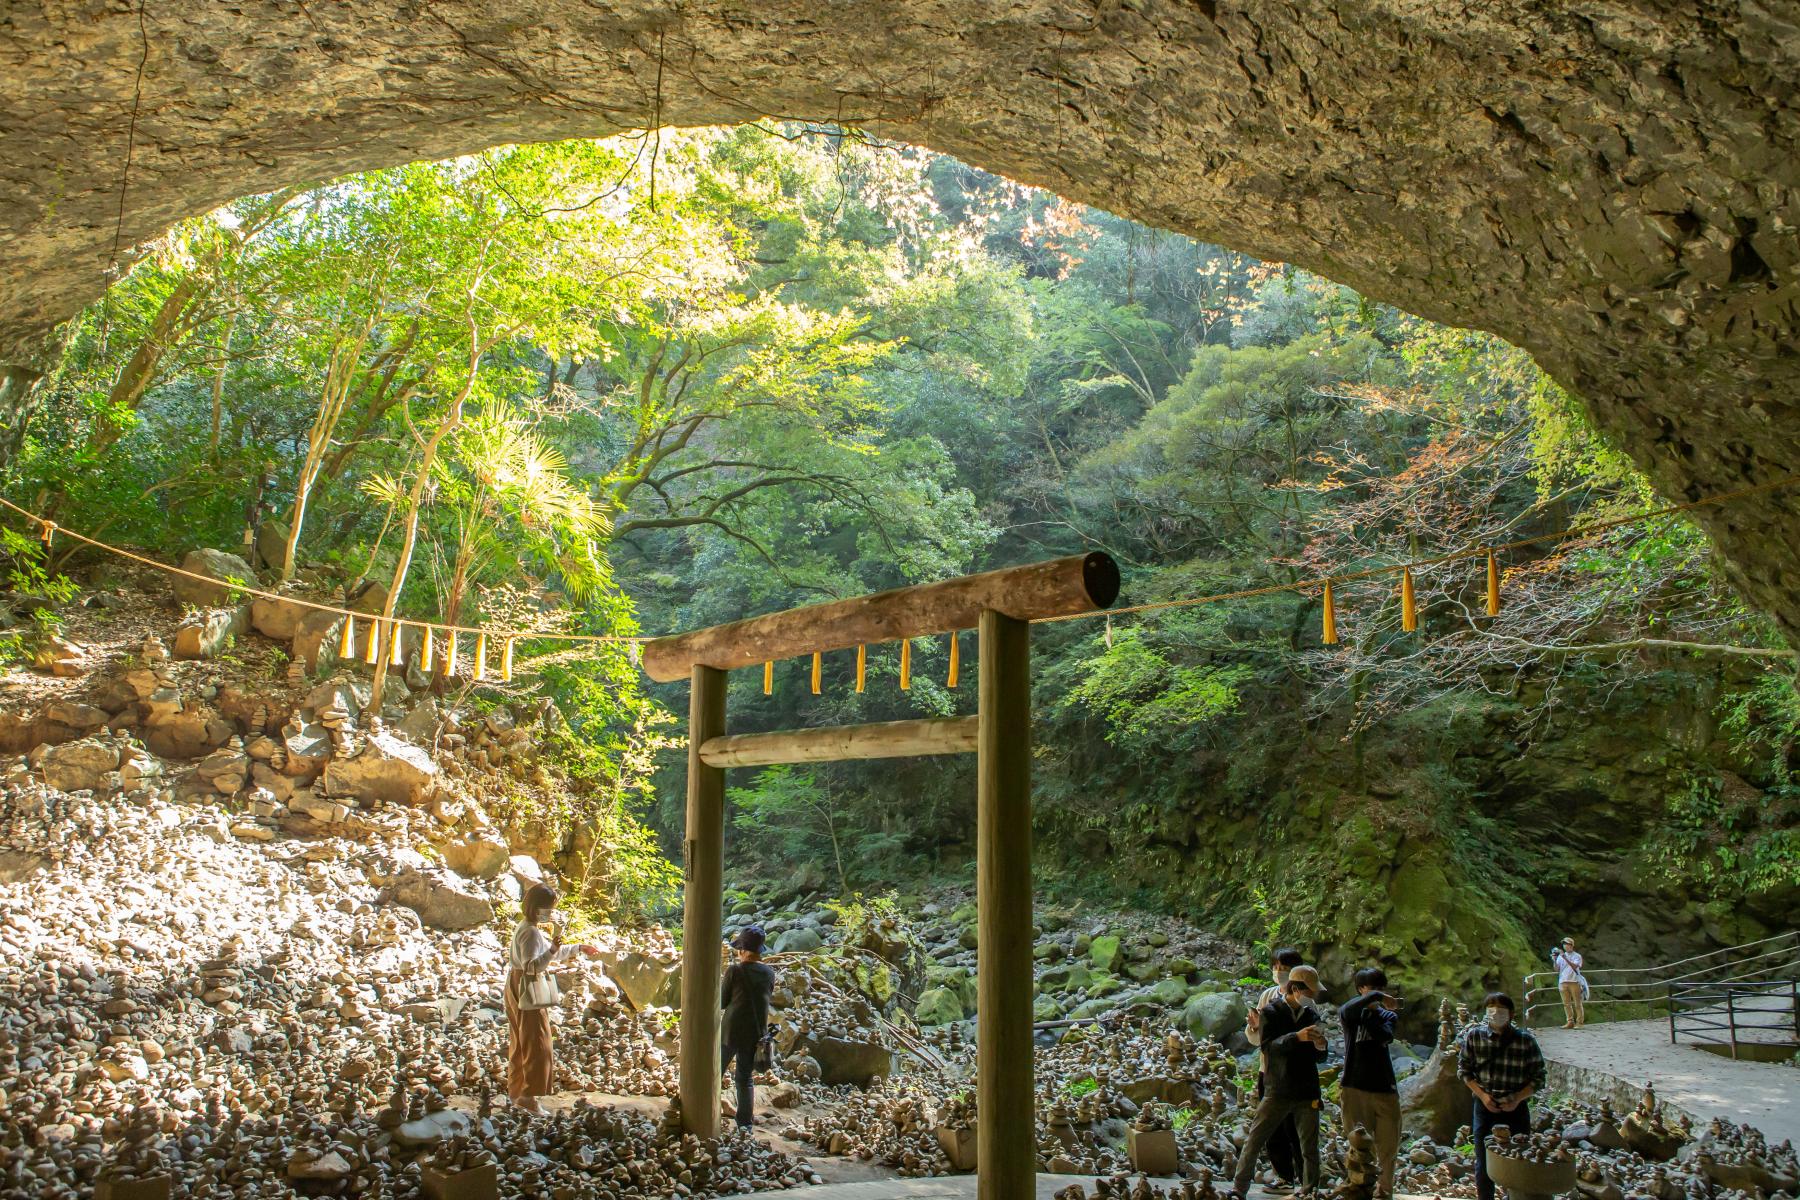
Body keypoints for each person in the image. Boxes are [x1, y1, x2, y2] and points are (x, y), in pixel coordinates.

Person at [1232, 965, 1328, 1200]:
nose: (1312, 997)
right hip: (1279, 1088)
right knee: (1255, 1139)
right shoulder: (1272, 1012)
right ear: (1295, 989)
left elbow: (1320, 1057)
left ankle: (1309, 1191)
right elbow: (1269, 1048)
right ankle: (1238, 1188)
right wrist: (1297, 1037)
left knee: (1309, 1148)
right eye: (1310, 992)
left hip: (1307, 1089)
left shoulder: (1311, 1015)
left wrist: (1321, 1046)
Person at [506, 884, 600, 1112]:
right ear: (537, 908)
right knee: (537, 1044)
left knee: (520, 1042)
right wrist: (551, 951)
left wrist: (578, 948)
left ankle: (517, 1093)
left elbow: (549, 954)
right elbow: (532, 966)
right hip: (526, 987)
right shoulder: (530, 932)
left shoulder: (526, 927)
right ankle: (528, 1099)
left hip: (516, 984)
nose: (551, 912)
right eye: (549, 908)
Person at [1457, 992, 1547, 1200]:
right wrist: (1483, 1096)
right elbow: (1464, 1070)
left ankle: (1516, 1196)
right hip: (1484, 1106)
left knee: (1520, 1158)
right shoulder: (1475, 1037)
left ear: (1511, 1013)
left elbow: (1539, 1077)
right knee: (1484, 1159)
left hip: (1516, 1109)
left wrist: (1516, 1099)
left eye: (1501, 1009)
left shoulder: (1525, 1041)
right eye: (1491, 1008)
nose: (1496, 1013)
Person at [1245, 948, 1308, 1190]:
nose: (1279, 972)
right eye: (1275, 967)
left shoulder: (1306, 999)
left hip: (1294, 1073)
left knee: (1296, 1128)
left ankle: (1305, 1180)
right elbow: (1257, 1040)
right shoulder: (1267, 996)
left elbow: (1303, 1040)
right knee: (1272, 1128)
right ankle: (1283, 1176)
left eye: (1284, 968)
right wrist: (1254, 1027)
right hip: (1267, 1070)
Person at [1339, 967, 1401, 1200]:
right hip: (1354, 1085)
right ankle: (1358, 1188)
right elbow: (1346, 1010)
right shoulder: (1350, 1013)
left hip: (1384, 1087)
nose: (1377, 993)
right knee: (1358, 1143)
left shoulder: (1387, 1016)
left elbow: (1385, 1036)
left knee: (1388, 1146)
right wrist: (1371, 1001)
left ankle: (1384, 1191)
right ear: (1360, 989)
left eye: (1380, 989)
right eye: (1371, 988)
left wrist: (1372, 1011)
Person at [720, 925, 776, 1130]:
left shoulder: (735, 970)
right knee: (744, 1079)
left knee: (715, 1073)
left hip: (730, 1032)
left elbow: (722, 1003)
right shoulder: (769, 973)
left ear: (742, 949)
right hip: (755, 1034)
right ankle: (745, 1126)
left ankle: (705, 1110)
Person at [1552, 937, 1586, 1028]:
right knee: (1566, 1004)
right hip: (1562, 981)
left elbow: (1575, 966)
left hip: (1574, 981)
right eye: (1564, 944)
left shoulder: (1577, 956)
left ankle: (1579, 1023)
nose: (1565, 946)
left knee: (1577, 1003)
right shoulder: (1560, 956)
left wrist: (1565, 957)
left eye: (1566, 944)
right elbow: (1556, 969)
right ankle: (1570, 1022)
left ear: (1571, 945)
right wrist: (1554, 960)